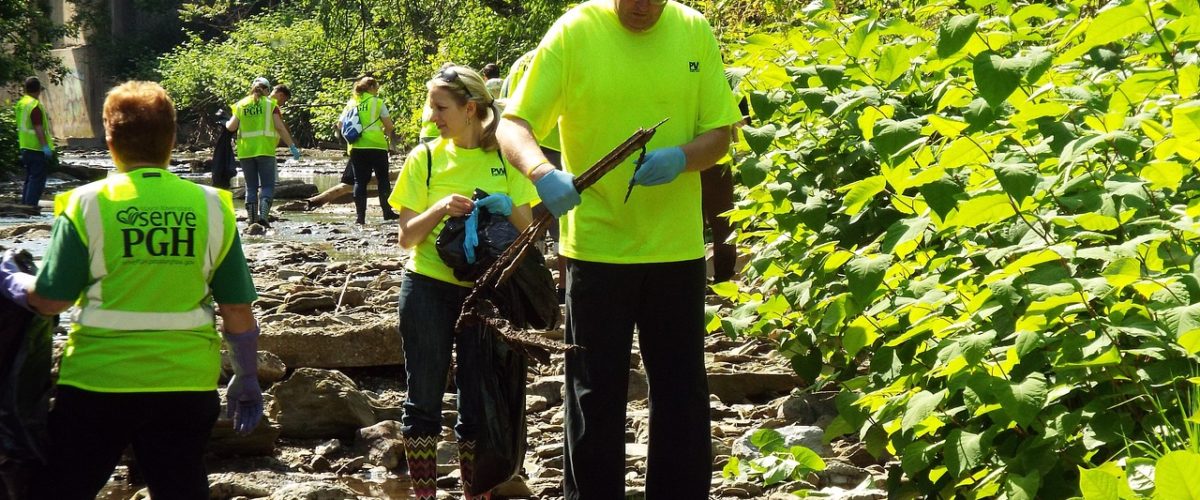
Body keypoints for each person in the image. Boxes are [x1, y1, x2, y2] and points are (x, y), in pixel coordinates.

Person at [496, 0, 742, 496]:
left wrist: (681, 157)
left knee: (682, 395)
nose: (641, 5)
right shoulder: (575, 30)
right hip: (595, 250)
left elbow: (720, 132)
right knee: (594, 393)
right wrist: (541, 171)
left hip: (676, 251)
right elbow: (513, 124)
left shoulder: (693, 29)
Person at [0, 81, 262, 499]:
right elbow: (236, 311)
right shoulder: (213, 206)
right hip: (185, 386)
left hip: (97, 385)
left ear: (109, 140)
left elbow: (51, 300)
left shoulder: (86, 203)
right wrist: (246, 376)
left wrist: (12, 280)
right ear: (172, 139)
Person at [388, 65, 536, 500]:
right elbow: (406, 237)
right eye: (432, 106)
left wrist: (505, 204)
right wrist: (438, 210)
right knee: (424, 396)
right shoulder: (425, 158)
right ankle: (424, 494)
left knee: (478, 396)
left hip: (485, 290)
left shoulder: (504, 158)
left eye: (440, 107)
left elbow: (527, 230)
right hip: (427, 284)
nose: (432, 116)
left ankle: (477, 493)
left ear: (470, 109)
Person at [499, 50, 566, 302]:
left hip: (522, 149)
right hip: (558, 146)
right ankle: (563, 286)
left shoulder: (519, 63)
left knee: (529, 221)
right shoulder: (559, 56)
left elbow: (505, 104)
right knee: (563, 220)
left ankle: (537, 284)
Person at [226, 77, 301, 228]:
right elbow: (279, 127)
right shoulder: (270, 105)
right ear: (267, 90)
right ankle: (263, 217)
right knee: (267, 186)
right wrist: (291, 146)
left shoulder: (241, 104)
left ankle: (252, 219)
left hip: (246, 151)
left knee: (251, 186)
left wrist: (224, 121)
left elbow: (231, 127)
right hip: (265, 150)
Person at [338, 76, 400, 224]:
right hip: (377, 146)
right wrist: (385, 133)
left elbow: (340, 125)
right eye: (376, 87)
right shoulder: (377, 102)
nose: (377, 90)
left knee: (360, 181)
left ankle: (360, 218)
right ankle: (387, 212)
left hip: (357, 146)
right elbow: (389, 126)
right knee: (383, 179)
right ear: (371, 87)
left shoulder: (351, 103)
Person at [701, 96, 749, 284]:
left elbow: (741, 114)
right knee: (721, 219)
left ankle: (722, 280)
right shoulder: (724, 72)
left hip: (710, 152)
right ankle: (721, 280)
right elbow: (743, 119)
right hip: (713, 152)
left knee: (721, 219)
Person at [14, 77, 54, 208]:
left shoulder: (21, 103)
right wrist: (45, 146)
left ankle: (25, 206)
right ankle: (31, 207)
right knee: (37, 179)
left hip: (24, 146)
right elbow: (38, 127)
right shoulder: (34, 105)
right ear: (38, 90)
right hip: (36, 148)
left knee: (30, 178)